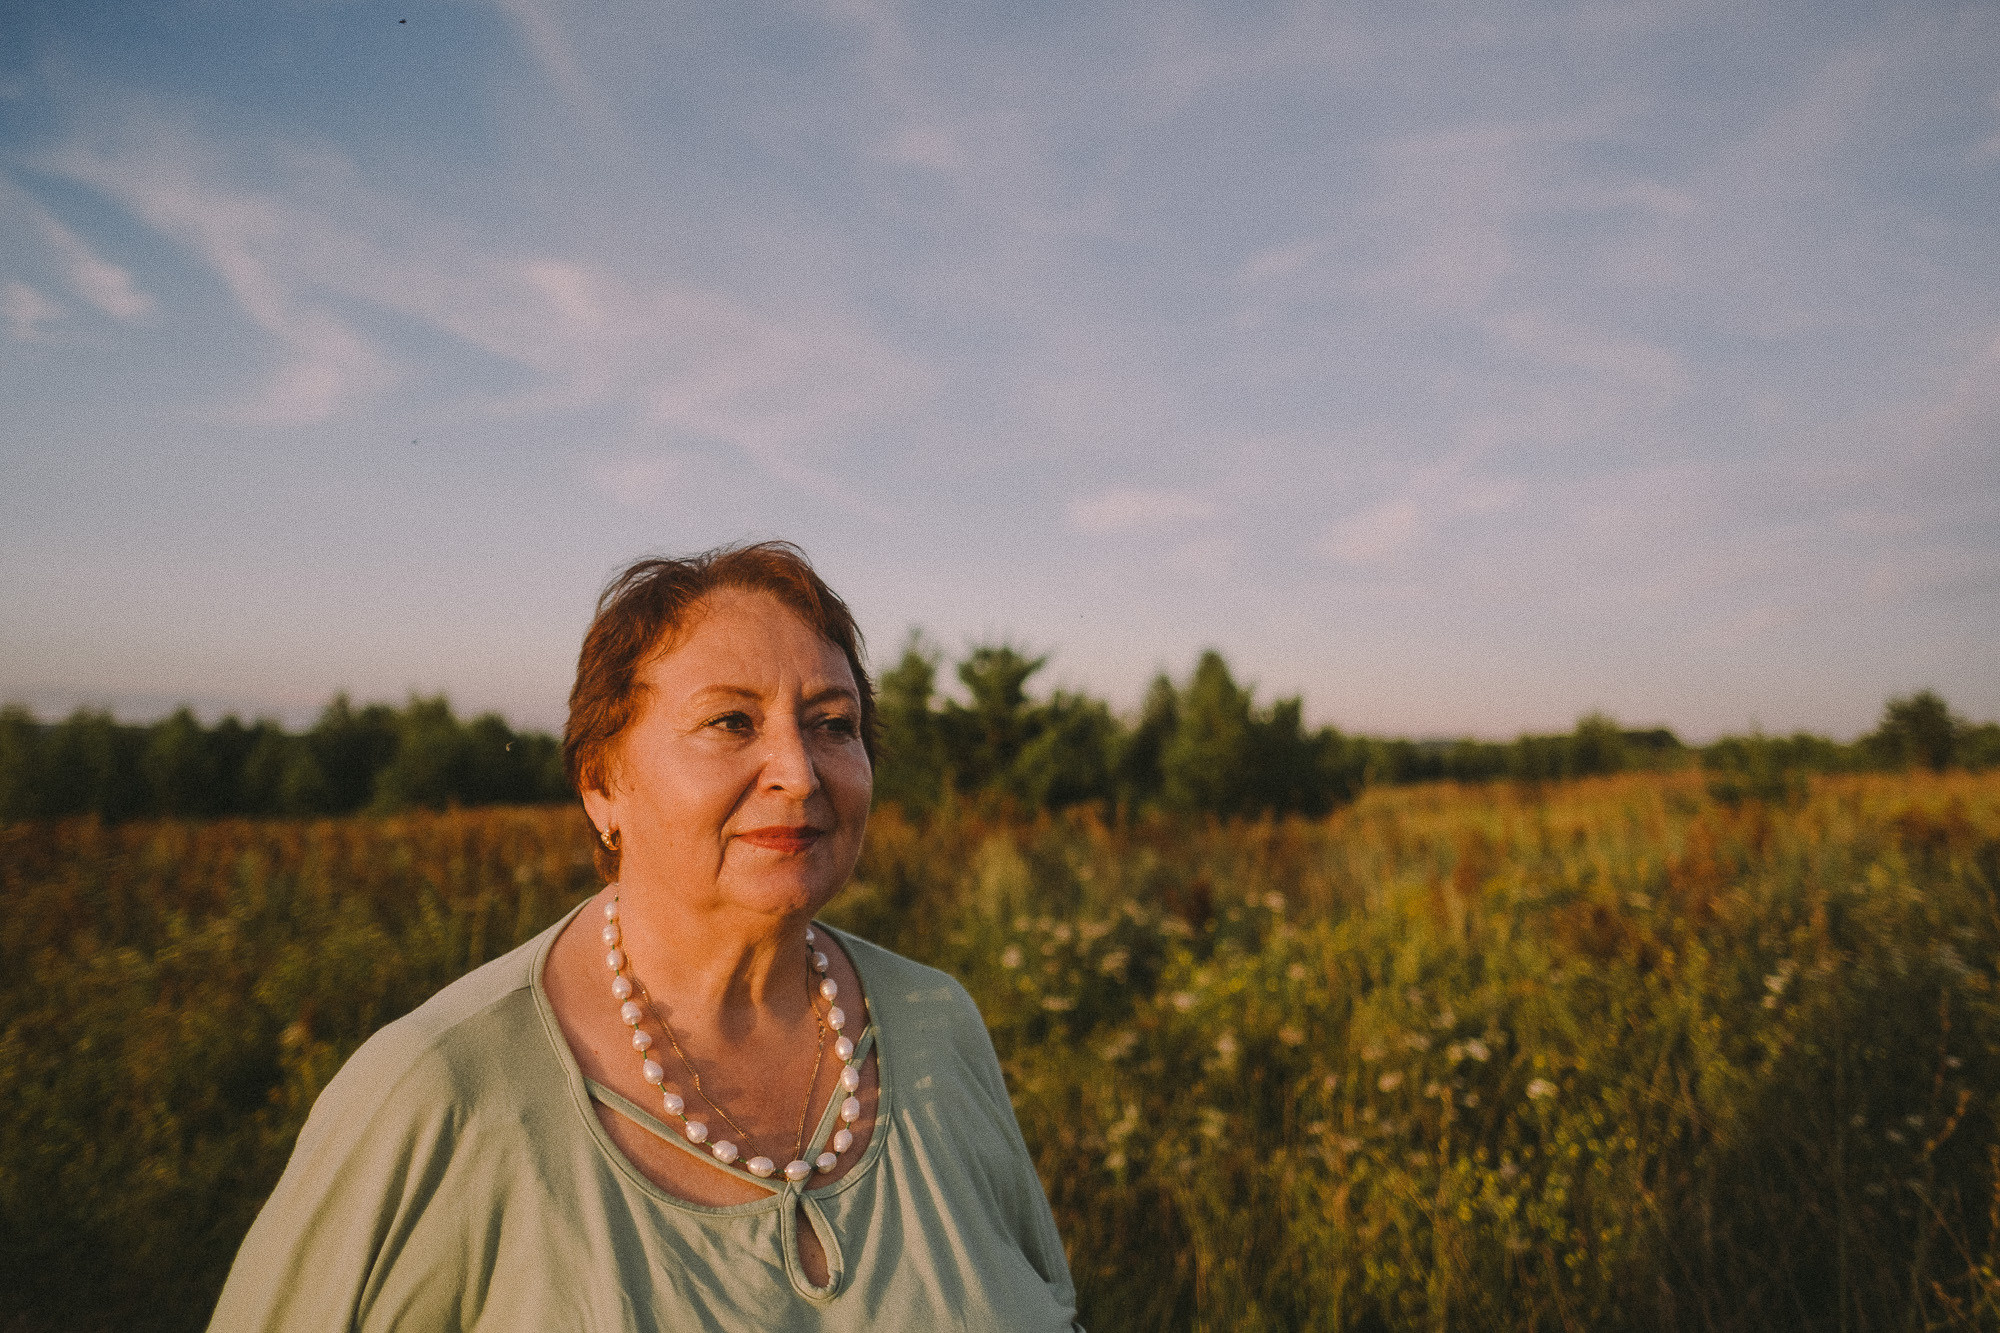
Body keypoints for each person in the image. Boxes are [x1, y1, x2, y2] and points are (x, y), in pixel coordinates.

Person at [208, 541, 1082, 1331]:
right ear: (602, 784)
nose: (798, 770)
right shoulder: (438, 1092)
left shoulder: (938, 1021)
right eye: (732, 721)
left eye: (833, 723)